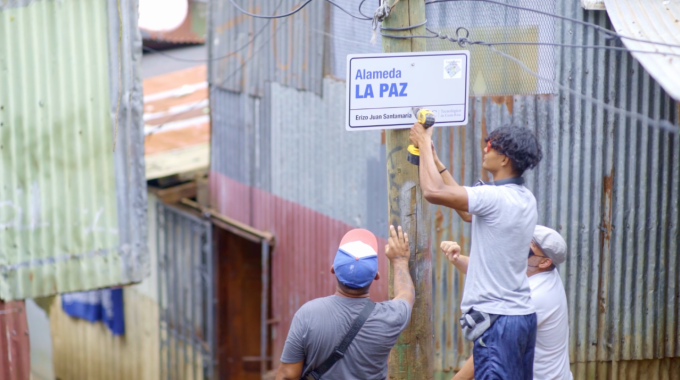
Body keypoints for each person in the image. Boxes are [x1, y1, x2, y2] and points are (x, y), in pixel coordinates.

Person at [409, 123, 543, 379]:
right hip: (520, 317)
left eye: (491, 145)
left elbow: (433, 191)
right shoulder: (524, 197)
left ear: (504, 158)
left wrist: (424, 143)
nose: (485, 148)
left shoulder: (495, 198)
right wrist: (435, 161)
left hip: (498, 321)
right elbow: (467, 212)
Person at [275, 225, 414, 380]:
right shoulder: (391, 317)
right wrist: (400, 260)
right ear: (376, 276)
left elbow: (288, 375)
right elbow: (406, 294)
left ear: (333, 269)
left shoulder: (307, 314)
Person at [442, 225, 573, 380]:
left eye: (526, 248)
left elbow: (492, 347)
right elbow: (491, 271)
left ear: (544, 262)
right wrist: (457, 258)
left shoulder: (533, 297)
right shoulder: (534, 269)